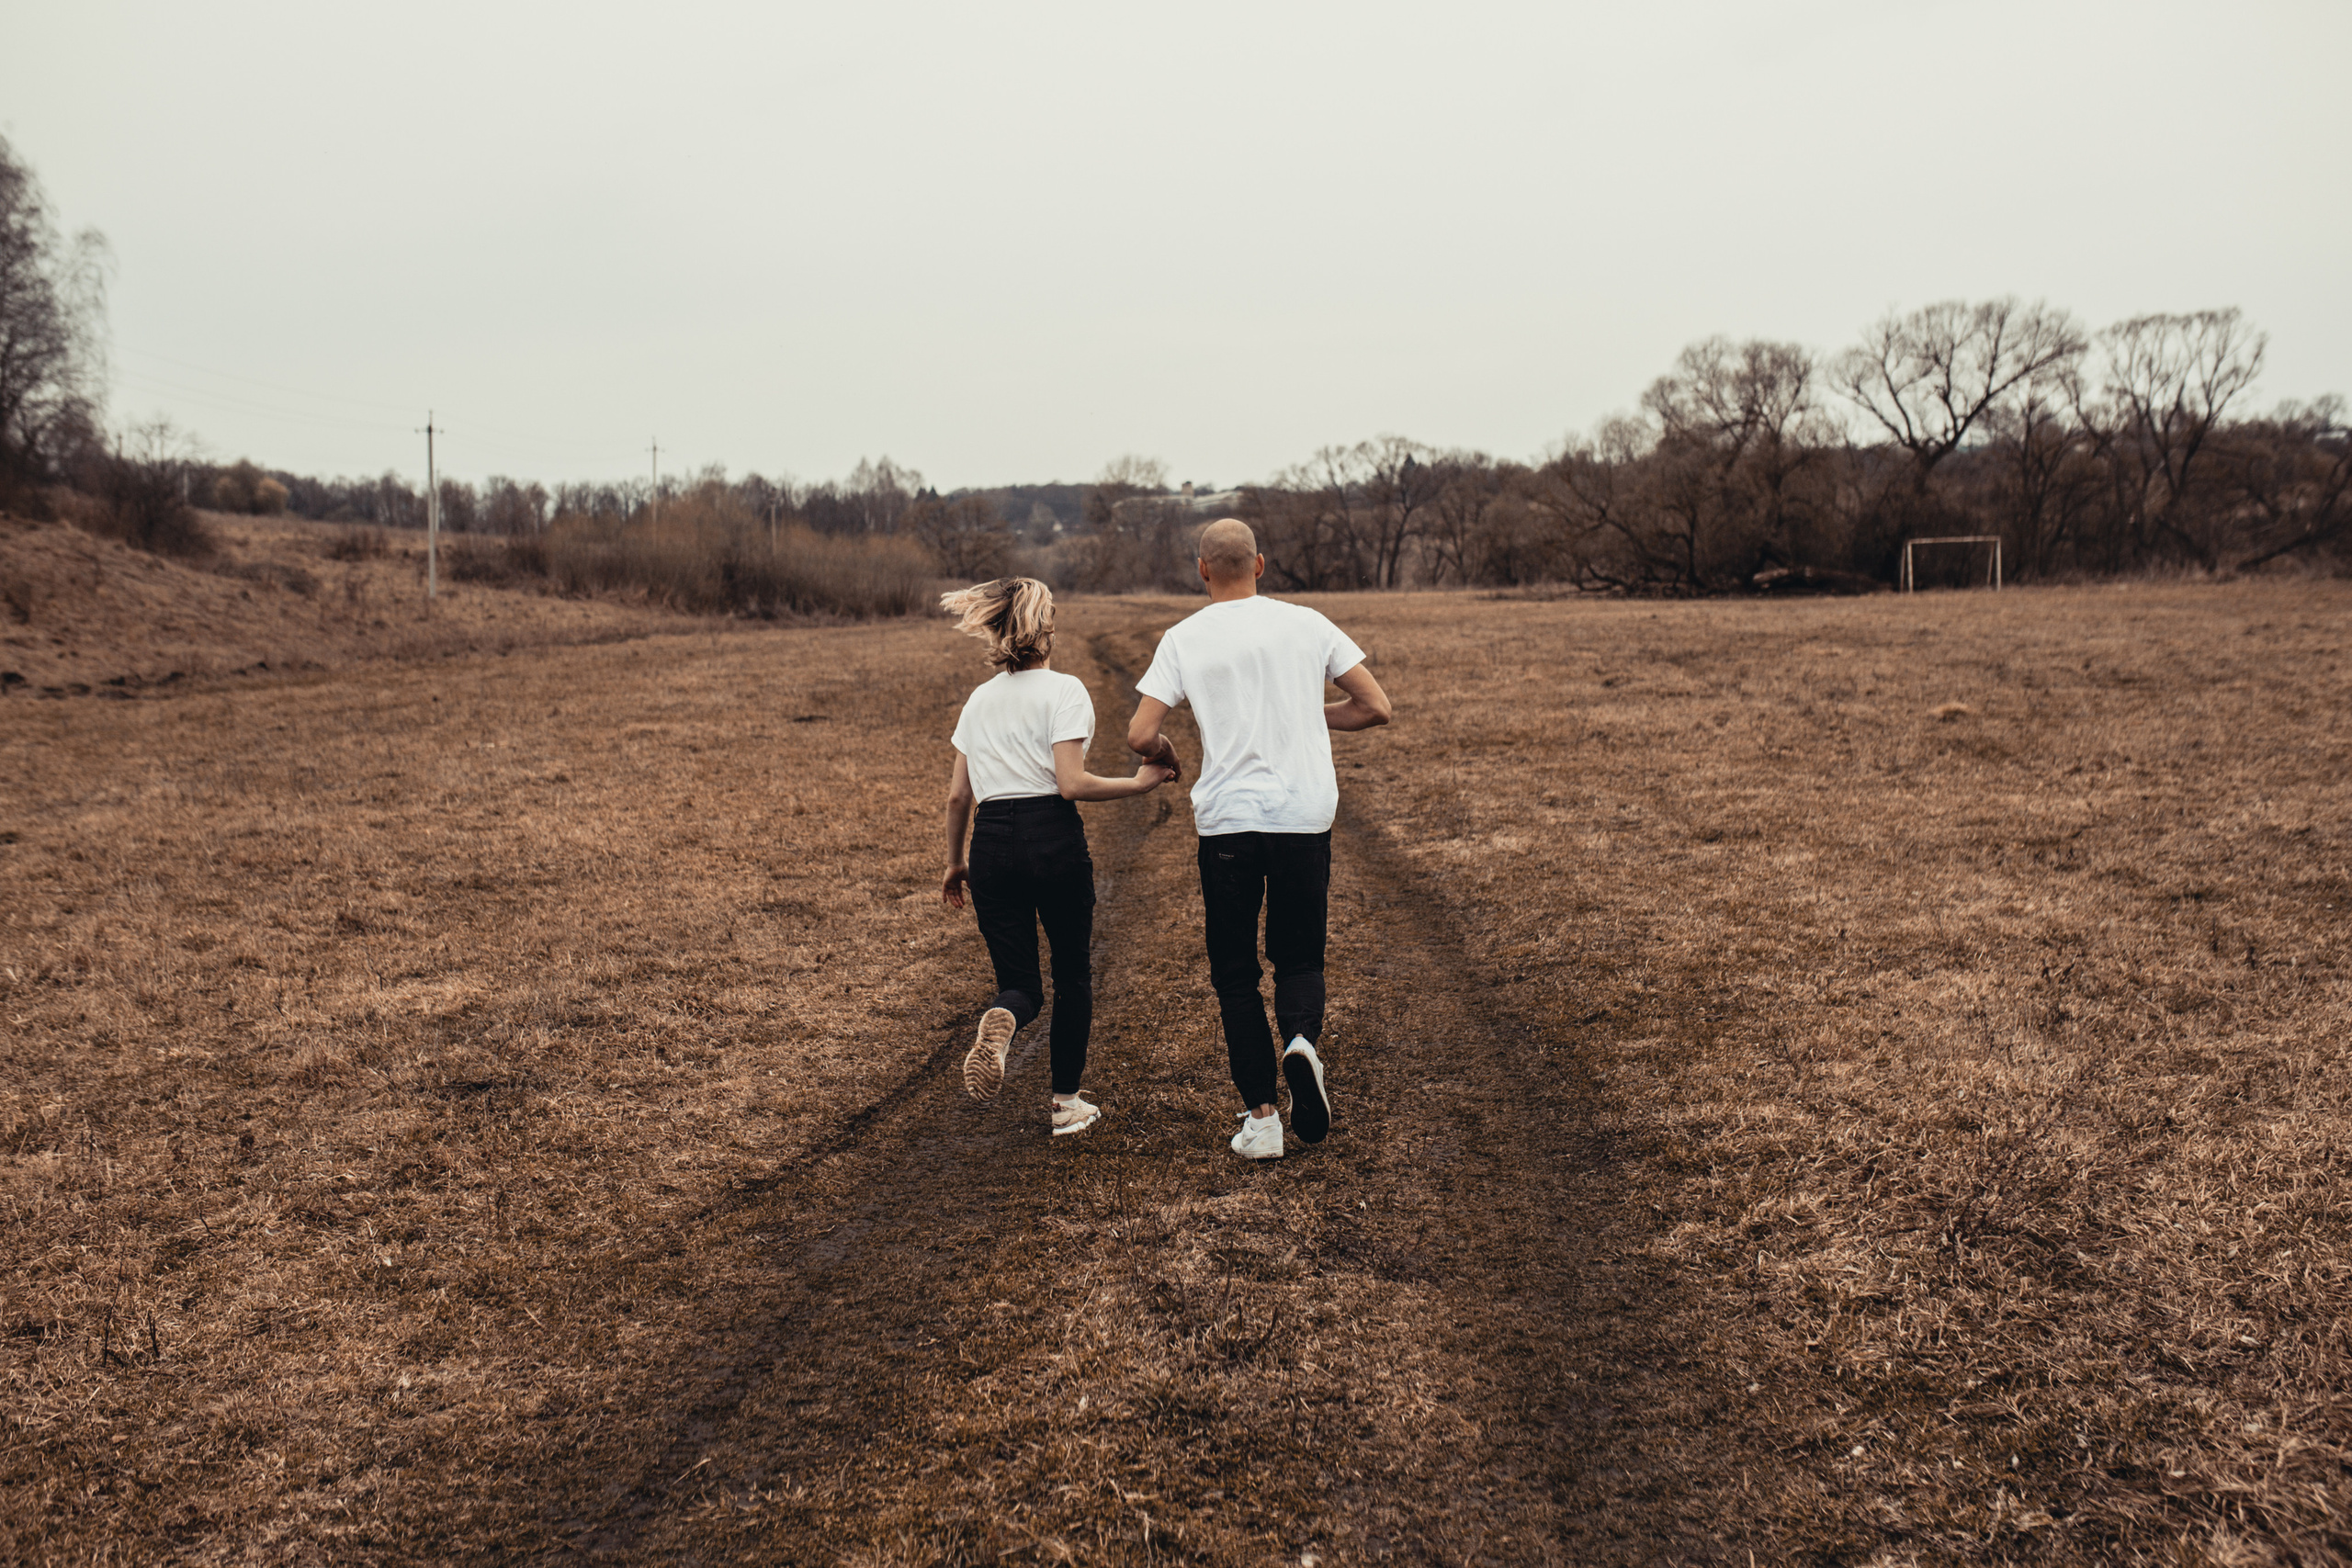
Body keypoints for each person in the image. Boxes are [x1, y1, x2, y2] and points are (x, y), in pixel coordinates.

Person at [1125, 519, 1393, 1160]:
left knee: (1235, 973)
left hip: (1228, 823)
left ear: (1202, 570)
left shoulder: (1183, 637)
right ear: (1262, 564)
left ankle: (1263, 1119)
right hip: (1303, 816)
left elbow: (1140, 733)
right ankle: (1301, 1044)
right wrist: (1302, 711)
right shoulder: (1308, 623)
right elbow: (1375, 706)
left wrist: (1164, 751)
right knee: (1300, 958)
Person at [940, 577, 1175, 1136]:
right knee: (1072, 973)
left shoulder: (979, 699)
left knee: (1019, 983)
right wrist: (1139, 785)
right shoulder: (1065, 690)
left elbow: (957, 796)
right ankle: (1066, 1103)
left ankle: (1005, 1018)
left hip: (990, 843)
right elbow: (1071, 784)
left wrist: (955, 863)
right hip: (1052, 839)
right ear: (1046, 631)